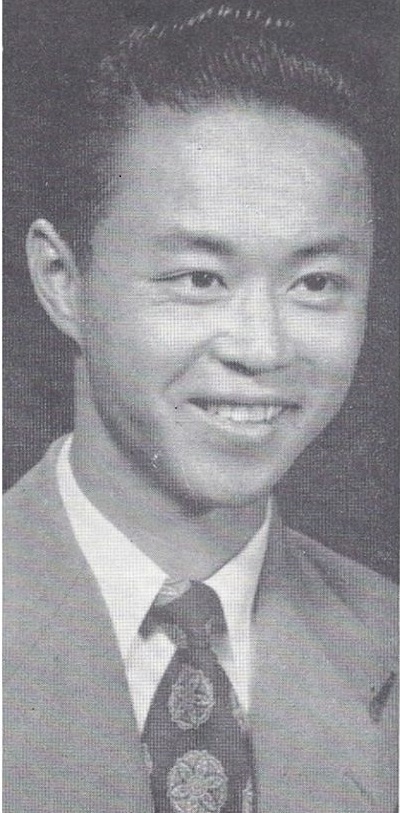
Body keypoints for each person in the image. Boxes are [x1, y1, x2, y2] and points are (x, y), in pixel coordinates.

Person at [3, 4, 397, 812]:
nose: (262, 347)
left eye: (316, 283)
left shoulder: (385, 636)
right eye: (199, 278)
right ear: (63, 280)